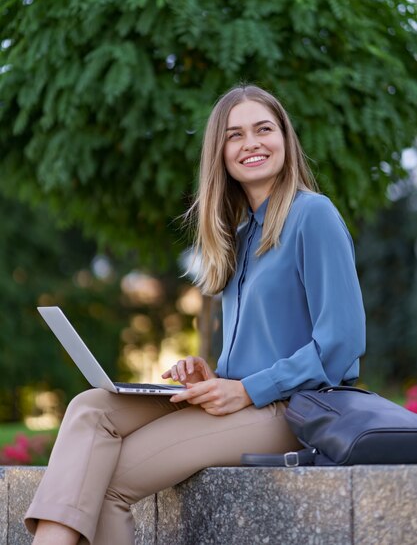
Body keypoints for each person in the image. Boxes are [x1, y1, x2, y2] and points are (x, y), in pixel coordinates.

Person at [25, 84, 366, 545]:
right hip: (242, 399)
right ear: (220, 153)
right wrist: (212, 375)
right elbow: (255, 349)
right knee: (90, 407)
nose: (252, 143)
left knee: (105, 482)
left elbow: (342, 341)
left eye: (264, 129)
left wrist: (247, 388)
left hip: (293, 408)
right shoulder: (240, 236)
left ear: (285, 138)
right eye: (235, 135)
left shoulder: (313, 215)